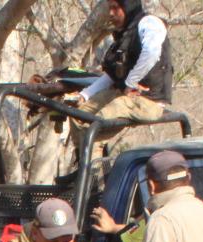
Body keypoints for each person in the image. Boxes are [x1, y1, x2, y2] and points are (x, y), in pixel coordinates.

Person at [34, 0, 171, 147]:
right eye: (109, 8)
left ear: (128, 6)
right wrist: (84, 95)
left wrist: (130, 82)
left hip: (149, 101)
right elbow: (112, 76)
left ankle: (93, 156)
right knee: (77, 115)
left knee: (98, 123)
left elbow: (151, 52)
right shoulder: (125, 34)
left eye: (115, 8)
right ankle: (83, 157)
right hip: (124, 95)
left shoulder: (149, 23)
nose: (111, 13)